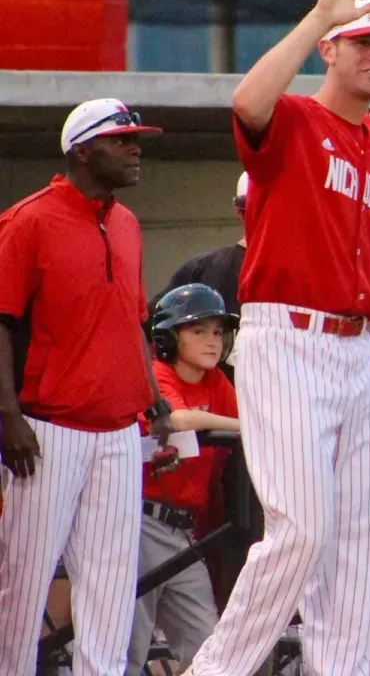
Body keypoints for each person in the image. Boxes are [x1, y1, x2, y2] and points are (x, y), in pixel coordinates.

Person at [182, 0, 370, 676]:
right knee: (301, 531)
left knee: (365, 545)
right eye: (365, 42)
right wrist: (321, 13)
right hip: (288, 337)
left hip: (355, 350)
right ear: (332, 51)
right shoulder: (300, 118)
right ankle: (216, 670)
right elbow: (247, 103)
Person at [0, 98, 175, 675]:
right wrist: (9, 417)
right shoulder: (28, 219)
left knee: (110, 584)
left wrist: (154, 399)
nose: (135, 148)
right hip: (47, 431)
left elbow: (132, 320)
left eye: (136, 139)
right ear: (81, 150)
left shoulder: (125, 222)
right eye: (122, 139)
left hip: (120, 432)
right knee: (24, 585)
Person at [128, 284, 241, 675]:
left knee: (208, 645)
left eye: (217, 331)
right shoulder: (156, 373)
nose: (213, 341)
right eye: (198, 331)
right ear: (169, 337)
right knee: (128, 650)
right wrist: (246, 426)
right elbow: (177, 419)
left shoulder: (215, 383)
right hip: (139, 525)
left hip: (184, 534)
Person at [147, 171, 251, 380]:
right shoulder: (205, 269)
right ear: (241, 211)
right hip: (210, 405)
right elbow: (147, 333)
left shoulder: (320, 273)